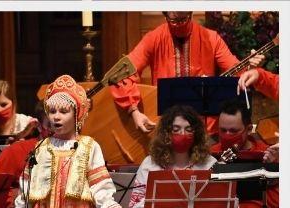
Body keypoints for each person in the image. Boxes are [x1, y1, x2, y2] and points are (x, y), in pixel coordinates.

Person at [0, 75, 131, 208]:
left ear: (77, 114)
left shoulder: (88, 146)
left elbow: (99, 185)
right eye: (52, 111)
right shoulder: (41, 149)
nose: (56, 116)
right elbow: (27, 189)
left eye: (63, 111)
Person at [110, 11, 260, 134]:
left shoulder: (211, 38)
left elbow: (237, 71)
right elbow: (121, 76)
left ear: (191, 13)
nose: (180, 25)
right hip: (166, 129)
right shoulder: (153, 38)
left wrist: (249, 70)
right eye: (174, 20)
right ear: (165, 15)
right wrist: (134, 111)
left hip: (204, 131)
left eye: (184, 19)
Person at [126, 104, 232, 208]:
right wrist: (157, 200)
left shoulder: (210, 163)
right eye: (176, 129)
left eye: (188, 129)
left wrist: (220, 188)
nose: (182, 134)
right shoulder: (150, 165)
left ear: (196, 133)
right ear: (166, 133)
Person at [211, 98, 279, 208]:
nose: (226, 136)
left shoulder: (265, 153)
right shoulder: (210, 156)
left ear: (248, 129)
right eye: (222, 130)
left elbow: (276, 205)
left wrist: (272, 169)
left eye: (233, 131)